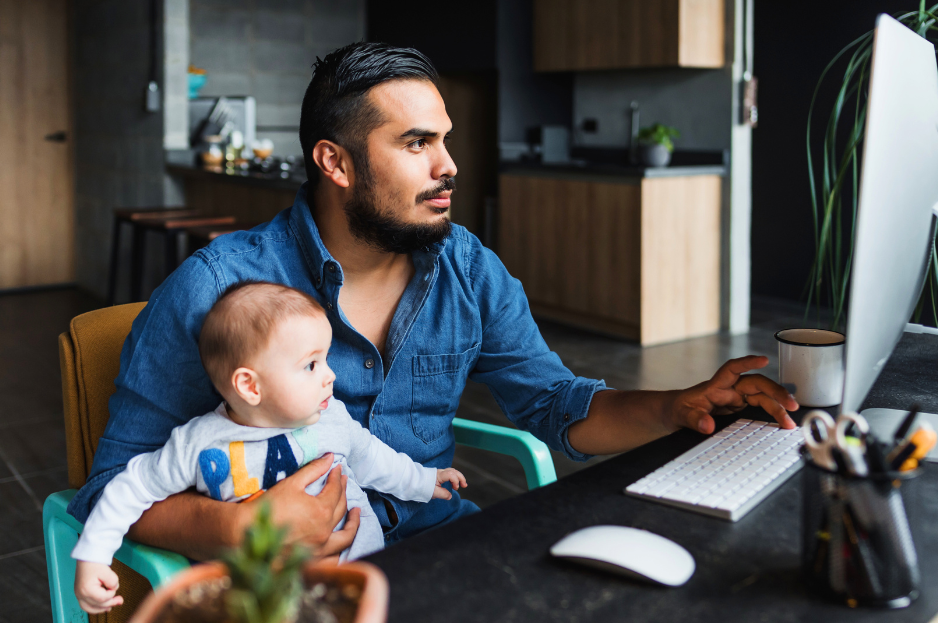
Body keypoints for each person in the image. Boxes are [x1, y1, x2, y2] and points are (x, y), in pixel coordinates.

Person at [68, 42, 798, 564]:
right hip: (288, 579)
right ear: (336, 162)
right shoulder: (213, 288)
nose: (449, 165)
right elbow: (108, 489)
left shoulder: (468, 268)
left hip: (441, 541)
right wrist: (235, 530)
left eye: (445, 141)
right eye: (417, 143)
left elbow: (557, 403)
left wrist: (678, 406)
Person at [72, 281, 467, 615]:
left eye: (325, 359)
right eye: (311, 365)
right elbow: (131, 487)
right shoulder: (199, 444)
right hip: (263, 603)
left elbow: (374, 459)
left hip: (360, 585)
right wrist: (93, 556)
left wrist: (424, 480)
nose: (330, 376)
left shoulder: (331, 418)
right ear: (250, 386)